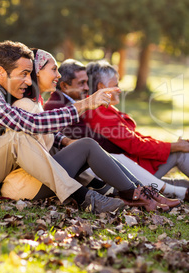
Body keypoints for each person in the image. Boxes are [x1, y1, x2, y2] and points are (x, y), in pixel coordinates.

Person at [0, 40, 126, 215]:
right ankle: (82, 197)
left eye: (30, 74)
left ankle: (106, 187)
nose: (29, 81)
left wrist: (63, 140)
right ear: (2, 71)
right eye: (24, 74)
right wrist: (85, 104)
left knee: (23, 136)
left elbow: (28, 121)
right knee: (17, 138)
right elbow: (31, 123)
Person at [1, 48, 180, 211]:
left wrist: (66, 142)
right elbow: (36, 147)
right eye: (54, 69)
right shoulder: (26, 105)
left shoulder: (35, 104)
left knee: (87, 146)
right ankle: (139, 194)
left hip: (41, 179)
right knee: (87, 145)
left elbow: (45, 135)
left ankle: (142, 193)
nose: (58, 75)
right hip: (28, 185)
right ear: (38, 72)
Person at [44, 59, 189, 201]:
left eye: (87, 82)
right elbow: (131, 145)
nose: (87, 88)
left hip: (123, 164)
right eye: (82, 83)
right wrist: (175, 146)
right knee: (178, 159)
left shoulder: (82, 104)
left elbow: (133, 138)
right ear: (64, 86)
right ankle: (176, 192)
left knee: (177, 174)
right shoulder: (86, 109)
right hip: (116, 166)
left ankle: (176, 191)